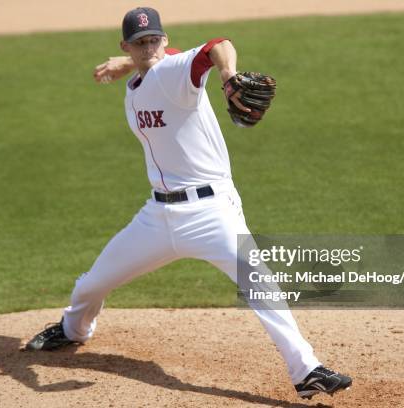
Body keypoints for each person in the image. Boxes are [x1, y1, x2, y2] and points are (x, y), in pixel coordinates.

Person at [26, 7, 352, 400]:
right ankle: (73, 330)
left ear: (164, 40)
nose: (149, 46)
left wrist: (229, 75)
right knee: (93, 283)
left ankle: (307, 370)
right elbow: (153, 62)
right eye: (139, 42)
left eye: (154, 39)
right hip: (158, 217)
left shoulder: (172, 70)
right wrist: (125, 64)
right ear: (126, 45)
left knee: (260, 285)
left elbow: (218, 45)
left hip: (211, 212)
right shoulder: (140, 77)